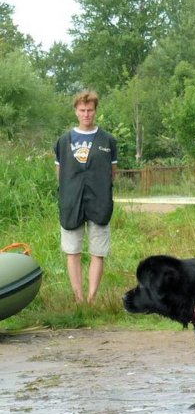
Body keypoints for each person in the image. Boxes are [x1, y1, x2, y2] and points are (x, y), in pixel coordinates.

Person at [54, 90, 117, 304]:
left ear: (95, 111)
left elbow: (112, 174)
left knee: (98, 251)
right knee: (73, 251)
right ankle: (78, 298)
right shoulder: (63, 141)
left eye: (90, 110)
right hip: (71, 203)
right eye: (82, 110)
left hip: (99, 202)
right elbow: (60, 174)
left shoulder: (108, 140)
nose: (86, 114)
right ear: (76, 111)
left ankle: (91, 298)